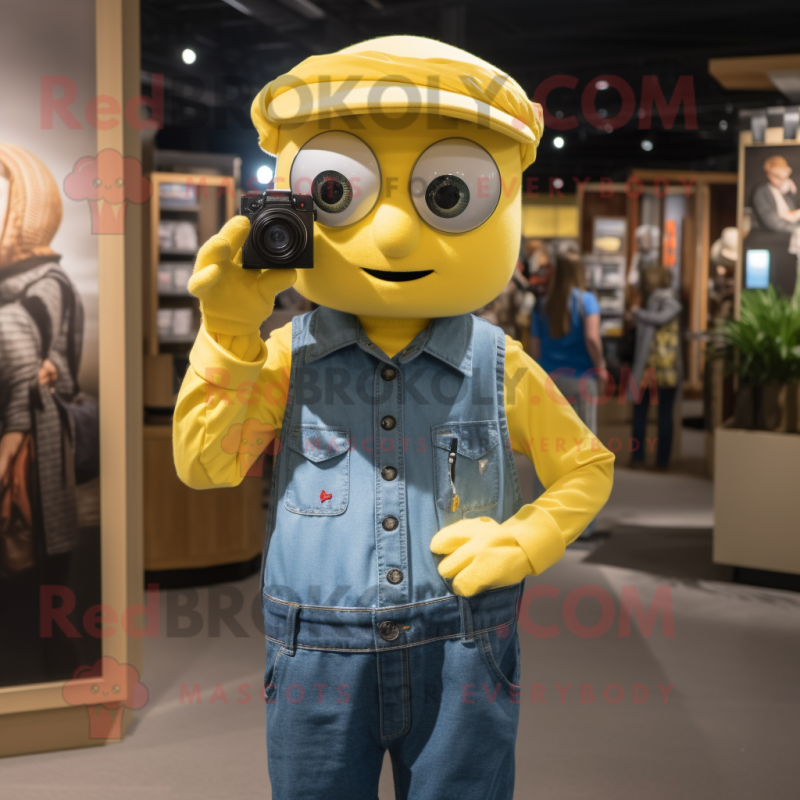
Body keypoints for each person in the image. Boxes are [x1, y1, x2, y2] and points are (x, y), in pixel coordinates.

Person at [173, 36, 614, 800]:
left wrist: (526, 539)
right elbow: (203, 464)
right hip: (317, 652)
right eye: (338, 191)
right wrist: (227, 336)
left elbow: (587, 466)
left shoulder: (499, 363)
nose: (400, 235)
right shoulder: (285, 357)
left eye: (446, 194)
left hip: (464, 645)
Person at [0, 143, 83, 685]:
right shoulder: (53, 282)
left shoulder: (22, 292)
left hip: (28, 445)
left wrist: (4, 463)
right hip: (41, 438)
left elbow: (16, 398)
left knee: (32, 565)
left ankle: (46, 678)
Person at [529, 251, 606, 435]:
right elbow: (592, 338)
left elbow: (535, 350)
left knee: (552, 438)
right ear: (580, 271)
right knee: (583, 440)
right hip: (582, 379)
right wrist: (601, 367)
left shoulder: (542, 304)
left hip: (549, 380)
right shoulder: (587, 301)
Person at [629, 267, 682, 470]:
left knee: (642, 413)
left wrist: (637, 313)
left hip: (648, 368)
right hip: (669, 369)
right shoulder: (672, 302)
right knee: (664, 414)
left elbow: (657, 320)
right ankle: (662, 461)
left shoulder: (653, 302)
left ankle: (638, 457)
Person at [752, 155, 800, 233]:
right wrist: (796, 229)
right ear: (768, 174)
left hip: (790, 230)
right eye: (775, 175)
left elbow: (791, 213)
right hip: (772, 234)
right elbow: (773, 222)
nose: (777, 179)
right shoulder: (762, 192)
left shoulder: (787, 189)